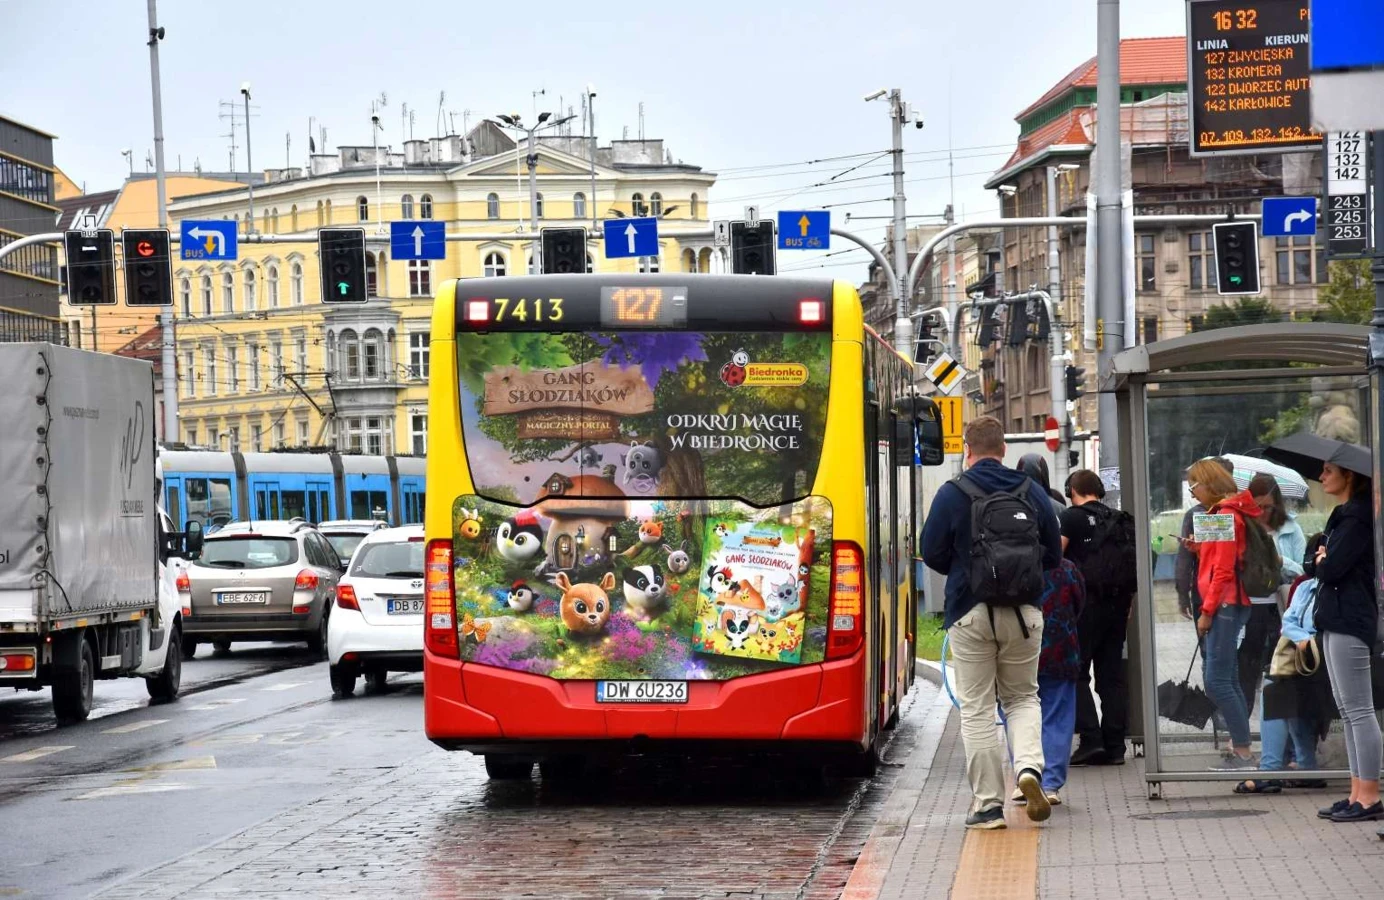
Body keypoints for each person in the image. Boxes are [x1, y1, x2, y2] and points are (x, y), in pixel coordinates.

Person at [922, 416, 1062, 829]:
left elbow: (931, 552)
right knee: (1023, 698)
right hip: (1024, 612)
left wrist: (966, 567)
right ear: (1003, 449)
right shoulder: (1031, 490)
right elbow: (1054, 555)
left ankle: (987, 807)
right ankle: (1029, 769)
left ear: (967, 450)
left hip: (970, 611)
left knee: (978, 708)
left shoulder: (952, 493)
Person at [1311, 461, 1380, 823]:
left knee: (1359, 709)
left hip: (1350, 616)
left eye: (1328, 470)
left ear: (1349, 474)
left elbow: (1331, 568)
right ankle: (1356, 792)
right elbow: (1318, 563)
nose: (1322, 477)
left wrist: (1324, 559)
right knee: (1348, 709)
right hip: (1336, 615)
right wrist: (1322, 558)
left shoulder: (1357, 518)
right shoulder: (1344, 516)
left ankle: (1368, 796)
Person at [1235, 535, 1327, 795]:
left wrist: (1312, 641)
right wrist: (1303, 640)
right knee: (1280, 684)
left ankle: (1272, 768)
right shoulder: (1306, 587)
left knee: (1278, 689)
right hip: (1306, 654)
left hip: (1330, 656)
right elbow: (1289, 621)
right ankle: (1303, 766)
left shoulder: (1338, 589)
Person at [1186, 458, 1259, 770]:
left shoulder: (1226, 514)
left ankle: (1242, 750)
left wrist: (1206, 611)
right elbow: (1221, 558)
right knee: (1227, 679)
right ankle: (1242, 748)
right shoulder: (1225, 512)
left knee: (1216, 681)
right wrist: (1198, 548)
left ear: (1208, 484)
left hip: (1224, 605)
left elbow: (1224, 571)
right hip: (1228, 603)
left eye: (1194, 486)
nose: (1192, 493)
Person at [1061, 469, 1134, 766]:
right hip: (1118, 605)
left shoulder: (1070, 518)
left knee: (1075, 672)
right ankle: (1115, 745)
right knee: (1111, 675)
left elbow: (1054, 557)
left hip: (1083, 606)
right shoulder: (1121, 519)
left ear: (1071, 490)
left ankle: (1091, 740)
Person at [1236, 474, 1307, 719]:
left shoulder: (1290, 529)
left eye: (1268, 507)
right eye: (1258, 506)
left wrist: (1280, 560)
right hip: (1249, 606)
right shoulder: (1242, 526)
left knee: (1280, 668)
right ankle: (1241, 726)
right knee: (1246, 669)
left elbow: (1304, 570)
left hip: (1280, 606)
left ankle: (1280, 729)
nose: (1263, 512)